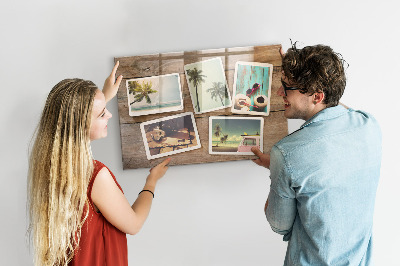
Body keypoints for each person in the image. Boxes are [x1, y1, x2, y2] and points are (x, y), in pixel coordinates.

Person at [27, 62, 171, 266]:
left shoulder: (50, 165)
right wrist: (151, 181)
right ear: (81, 124)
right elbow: (134, 224)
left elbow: (76, 118)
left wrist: (104, 96)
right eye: (102, 113)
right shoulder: (95, 176)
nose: (109, 115)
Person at [251, 43, 382, 265]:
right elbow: (335, 106)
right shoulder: (369, 125)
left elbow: (279, 225)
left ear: (317, 96)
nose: (278, 92)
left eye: (287, 87)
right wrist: (298, 73)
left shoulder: (286, 154)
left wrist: (278, 168)